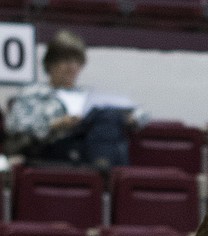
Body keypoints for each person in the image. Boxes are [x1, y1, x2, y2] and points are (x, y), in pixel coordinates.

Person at [6, 29, 141, 167]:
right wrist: (54, 125)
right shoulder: (33, 93)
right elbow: (16, 128)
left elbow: (141, 115)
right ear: (51, 63)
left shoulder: (89, 95)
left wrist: (129, 119)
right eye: (66, 60)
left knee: (109, 118)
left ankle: (102, 169)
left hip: (87, 146)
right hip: (49, 149)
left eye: (77, 61)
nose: (72, 67)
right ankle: (102, 173)